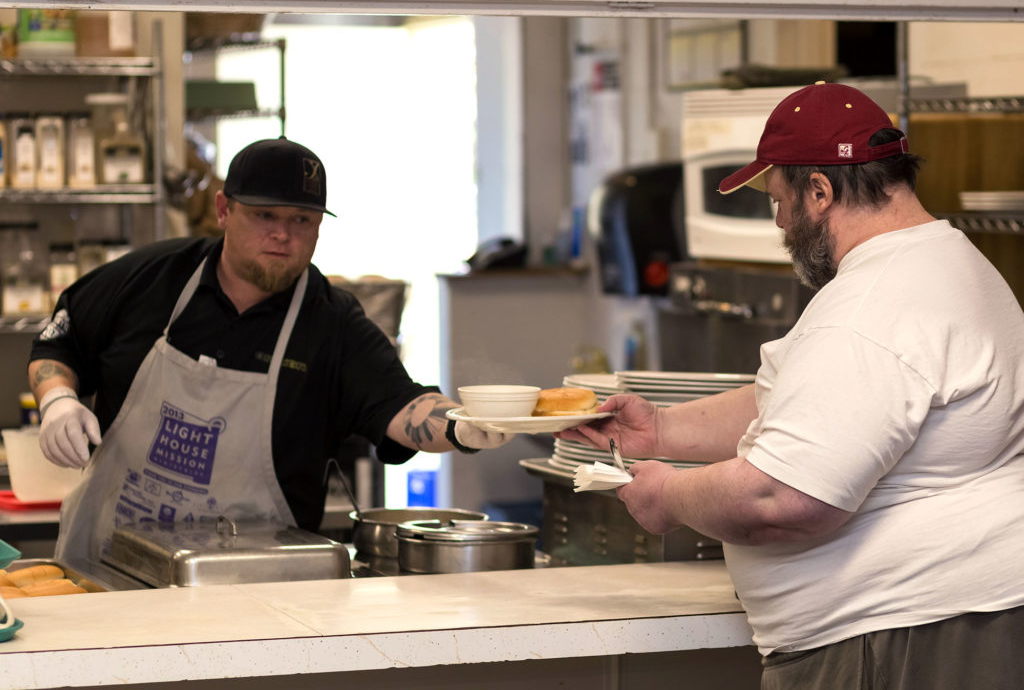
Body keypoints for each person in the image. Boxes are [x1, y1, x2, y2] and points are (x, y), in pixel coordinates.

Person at [560, 82, 1024, 689]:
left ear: (820, 191)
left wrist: (668, 497)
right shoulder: (943, 261)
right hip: (934, 622)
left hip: (902, 637)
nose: (779, 222)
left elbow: (780, 500)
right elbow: (818, 406)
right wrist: (664, 430)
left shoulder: (872, 307)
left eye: (778, 200)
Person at [27, 136, 506, 562]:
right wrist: (57, 400)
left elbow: (404, 406)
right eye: (264, 216)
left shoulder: (332, 323)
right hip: (109, 565)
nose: (283, 234)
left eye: (302, 219)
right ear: (223, 210)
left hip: (258, 586)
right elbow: (60, 341)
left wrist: (472, 424)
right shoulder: (151, 279)